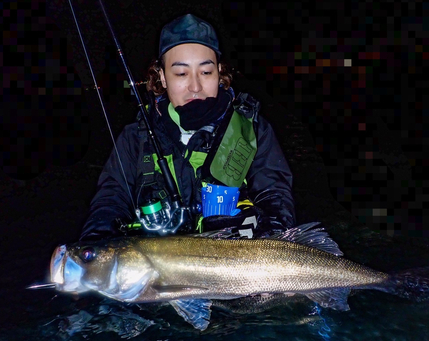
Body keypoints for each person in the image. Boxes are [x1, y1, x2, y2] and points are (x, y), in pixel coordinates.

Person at [80, 13, 295, 240]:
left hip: (236, 268)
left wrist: (272, 238)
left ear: (220, 73)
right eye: (181, 73)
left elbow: (275, 198)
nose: (195, 86)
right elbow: (109, 202)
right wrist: (96, 244)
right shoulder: (134, 139)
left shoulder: (254, 130)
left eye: (206, 72)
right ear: (162, 77)